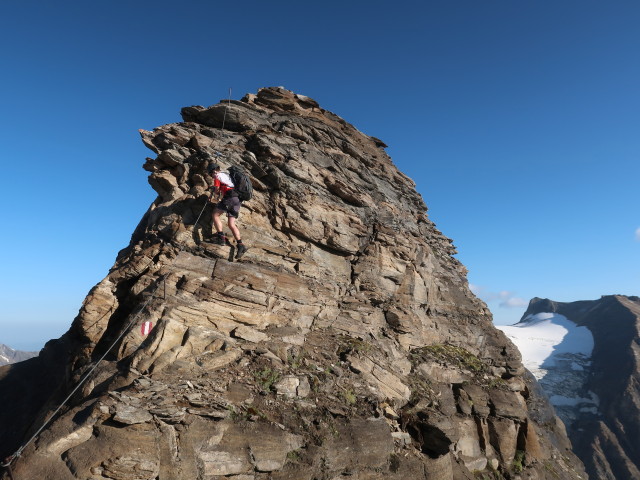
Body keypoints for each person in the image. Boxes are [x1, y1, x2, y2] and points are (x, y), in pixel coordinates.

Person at [208, 163, 248, 258]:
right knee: (231, 224)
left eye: (211, 173)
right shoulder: (227, 175)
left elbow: (217, 190)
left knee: (215, 215)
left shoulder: (217, 176)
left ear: (213, 171)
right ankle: (240, 245)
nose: (212, 175)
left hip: (229, 198)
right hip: (237, 199)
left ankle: (221, 238)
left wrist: (213, 190)